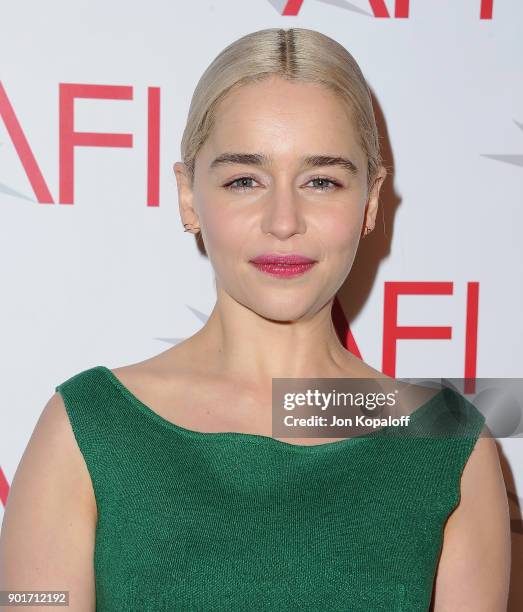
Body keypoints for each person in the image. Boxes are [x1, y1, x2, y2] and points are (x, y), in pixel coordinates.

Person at [0, 27, 510, 611]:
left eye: (322, 181)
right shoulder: (87, 429)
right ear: (189, 195)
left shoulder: (445, 443)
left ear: (370, 201)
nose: (284, 220)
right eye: (245, 180)